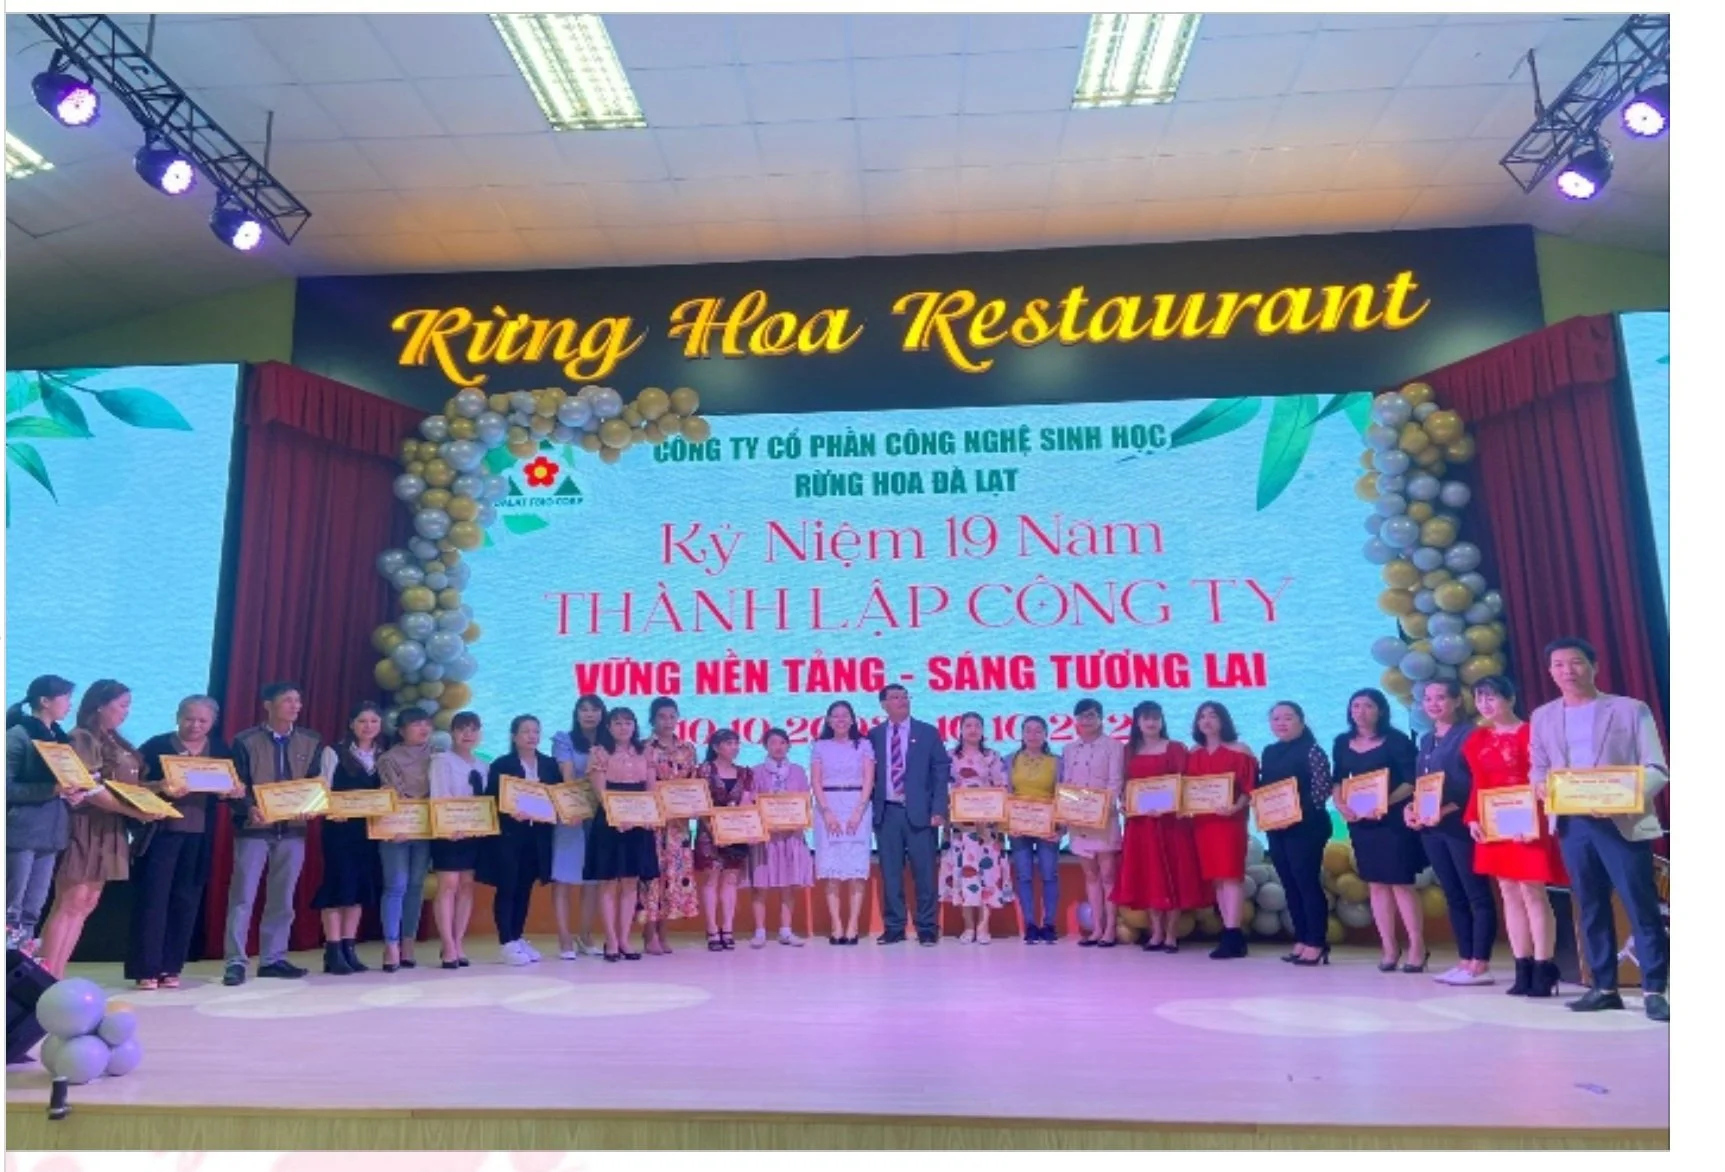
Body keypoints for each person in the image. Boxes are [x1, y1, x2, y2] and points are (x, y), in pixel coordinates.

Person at [1529, 637, 1669, 1022]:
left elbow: (1657, 768)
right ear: (1550, 672)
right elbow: (1538, 767)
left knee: (1641, 906)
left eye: (1575, 663)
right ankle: (1603, 987)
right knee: (1589, 907)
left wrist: (1621, 799)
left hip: (1621, 822)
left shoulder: (1629, 710)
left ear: (1594, 666)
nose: (1567, 671)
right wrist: (1541, 787)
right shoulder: (1543, 716)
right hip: (1573, 824)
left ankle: (1655, 989)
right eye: (1558, 665)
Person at [39, 680, 163, 978]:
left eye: (128, 706)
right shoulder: (82, 738)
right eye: (121, 705)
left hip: (110, 827)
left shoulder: (117, 742)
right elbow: (91, 789)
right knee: (71, 900)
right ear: (99, 705)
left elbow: (124, 788)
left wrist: (160, 788)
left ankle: (56, 973)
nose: (126, 712)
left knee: (87, 901)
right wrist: (133, 811)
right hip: (85, 826)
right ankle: (44, 975)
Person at [1465, 676, 1566, 998]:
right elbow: (1478, 785)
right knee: (1507, 891)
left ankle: (1544, 965)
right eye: (1480, 698)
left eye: (1491, 697)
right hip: (1495, 822)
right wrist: (1472, 819)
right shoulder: (1477, 739)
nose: (1485, 704)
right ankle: (1521, 966)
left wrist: (1536, 819)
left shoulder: (1532, 733)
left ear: (1510, 698)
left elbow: (1544, 780)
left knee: (1533, 892)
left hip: (1528, 821)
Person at [222, 682, 324, 986]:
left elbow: (314, 783)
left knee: (283, 898)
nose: (294, 706)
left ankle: (273, 958)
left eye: (298, 700)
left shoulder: (311, 740)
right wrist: (247, 808)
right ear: (268, 705)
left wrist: (313, 805)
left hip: (293, 831)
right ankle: (236, 961)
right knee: (243, 897)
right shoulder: (245, 740)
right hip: (254, 830)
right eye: (287, 700)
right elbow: (234, 784)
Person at [134, 695, 237, 989]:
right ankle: (146, 969)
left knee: (186, 899)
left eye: (202, 721)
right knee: (154, 899)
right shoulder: (156, 746)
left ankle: (171, 967)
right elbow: (132, 787)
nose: (195, 725)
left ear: (212, 722)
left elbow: (231, 786)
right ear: (177, 717)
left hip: (200, 834)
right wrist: (159, 787)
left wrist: (233, 791)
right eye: (189, 718)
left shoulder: (218, 749)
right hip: (161, 833)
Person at [1406, 679, 1498, 986]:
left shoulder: (1471, 734)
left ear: (1458, 701)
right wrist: (1412, 808)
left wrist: (1448, 809)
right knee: (1453, 895)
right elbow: (1423, 782)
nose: (1433, 704)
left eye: (1441, 697)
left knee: (1477, 894)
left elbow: (1477, 781)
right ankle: (1464, 960)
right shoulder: (1426, 739)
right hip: (1432, 829)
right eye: (1427, 699)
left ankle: (1480, 963)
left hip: (1461, 825)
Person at [1333, 687, 1426, 973]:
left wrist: (1385, 801)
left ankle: (1417, 946)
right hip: (1362, 824)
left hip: (1393, 822)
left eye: (1368, 706)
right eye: (1356, 705)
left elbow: (1412, 781)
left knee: (1400, 883)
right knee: (1375, 884)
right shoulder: (1341, 742)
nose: (1361, 711)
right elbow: (1338, 780)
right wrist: (1340, 805)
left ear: (1381, 711)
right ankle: (1388, 946)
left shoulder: (1396, 741)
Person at [1112, 701, 1201, 953]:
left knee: (1173, 874)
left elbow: (1185, 784)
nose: (1151, 723)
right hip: (1141, 824)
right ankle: (1156, 933)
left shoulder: (1175, 748)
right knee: (1148, 875)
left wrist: (1170, 805)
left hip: (1171, 823)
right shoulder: (1129, 750)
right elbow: (1125, 785)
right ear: (1137, 722)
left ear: (1162, 721)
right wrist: (1124, 803)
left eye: (1156, 718)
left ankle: (1171, 934)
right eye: (1146, 718)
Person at [869, 684, 951, 946]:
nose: (902, 701)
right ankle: (894, 927)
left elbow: (941, 772)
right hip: (887, 813)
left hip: (921, 814)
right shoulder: (873, 736)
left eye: (905, 696)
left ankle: (927, 927)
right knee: (891, 873)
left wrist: (939, 809)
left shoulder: (927, 733)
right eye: (895, 697)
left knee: (924, 873)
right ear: (883, 704)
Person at [310, 702, 386, 976]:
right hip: (339, 830)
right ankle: (332, 950)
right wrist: (331, 809)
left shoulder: (383, 755)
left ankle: (348, 948)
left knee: (358, 889)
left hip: (368, 832)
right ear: (352, 724)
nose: (368, 726)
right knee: (337, 885)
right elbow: (323, 787)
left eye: (374, 722)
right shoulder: (334, 752)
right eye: (363, 721)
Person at [6, 674, 76, 956]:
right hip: (20, 832)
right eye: (65, 698)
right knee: (12, 906)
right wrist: (51, 789)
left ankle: (21, 965)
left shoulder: (59, 737)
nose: (70, 704)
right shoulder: (17, 736)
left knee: (33, 908)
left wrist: (74, 790)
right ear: (44, 701)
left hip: (51, 832)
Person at [1259, 701, 1334, 966]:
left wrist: (1291, 815)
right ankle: (1301, 938)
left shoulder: (1312, 750)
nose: (1281, 723)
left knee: (1307, 882)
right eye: (1276, 718)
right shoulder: (1269, 752)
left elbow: (1321, 791)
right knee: (1289, 884)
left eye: (1288, 718)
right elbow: (1264, 790)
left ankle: (1317, 941)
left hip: (1307, 827)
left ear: (1301, 721)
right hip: (1276, 829)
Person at [583, 706, 659, 960]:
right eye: (617, 723)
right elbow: (601, 794)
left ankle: (626, 939)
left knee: (630, 882)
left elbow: (650, 791)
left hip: (638, 824)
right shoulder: (599, 753)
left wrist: (645, 816)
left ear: (635, 726)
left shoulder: (646, 752)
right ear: (608, 727)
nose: (623, 727)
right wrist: (618, 817)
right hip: (610, 824)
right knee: (608, 882)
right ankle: (611, 941)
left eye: (628, 722)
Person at [483, 714, 558, 966]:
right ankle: (506, 941)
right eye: (525, 731)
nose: (531, 736)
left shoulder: (549, 765)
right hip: (509, 835)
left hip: (537, 836)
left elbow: (557, 798)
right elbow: (491, 800)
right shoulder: (502, 764)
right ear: (514, 736)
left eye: (536, 731)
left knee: (525, 887)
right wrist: (508, 810)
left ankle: (517, 936)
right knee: (508, 886)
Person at [1186, 701, 1257, 960]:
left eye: (1212, 716)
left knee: (1231, 875)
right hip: (1203, 823)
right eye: (1201, 716)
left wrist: (1235, 806)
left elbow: (1250, 789)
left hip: (1230, 822)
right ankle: (1229, 932)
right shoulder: (1194, 753)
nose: (1207, 720)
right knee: (1216, 877)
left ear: (1223, 720)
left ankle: (1233, 932)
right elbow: (1187, 790)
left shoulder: (1240, 750)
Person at [940, 713, 1013, 943]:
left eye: (977, 726)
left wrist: (989, 815)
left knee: (987, 875)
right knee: (963, 875)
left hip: (986, 830)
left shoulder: (992, 757)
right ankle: (968, 926)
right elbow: (944, 789)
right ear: (960, 730)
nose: (973, 730)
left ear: (983, 730)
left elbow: (1002, 789)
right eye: (968, 726)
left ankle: (983, 926)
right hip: (960, 830)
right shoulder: (950, 757)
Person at [1061, 697, 1126, 948]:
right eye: (1081, 716)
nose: (1086, 720)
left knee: (1108, 875)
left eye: (1091, 715)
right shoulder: (1069, 749)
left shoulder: (1113, 746)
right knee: (1090, 875)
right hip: (1079, 822)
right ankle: (1097, 928)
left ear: (1101, 718)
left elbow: (1115, 782)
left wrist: (1099, 810)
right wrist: (1069, 812)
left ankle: (1110, 928)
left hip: (1103, 820)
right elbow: (1066, 785)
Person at [811, 700, 874, 945]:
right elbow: (815, 780)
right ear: (828, 720)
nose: (840, 719)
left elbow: (869, 778)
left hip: (858, 805)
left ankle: (853, 924)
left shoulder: (864, 745)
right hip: (828, 806)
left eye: (845, 715)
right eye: (835, 716)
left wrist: (859, 809)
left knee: (856, 869)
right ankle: (836, 924)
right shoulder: (820, 746)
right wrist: (826, 811)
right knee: (832, 869)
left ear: (852, 719)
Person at [377, 707, 435, 972]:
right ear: (401, 731)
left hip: (426, 829)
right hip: (397, 828)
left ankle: (408, 943)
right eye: (415, 724)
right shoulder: (389, 759)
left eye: (426, 724)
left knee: (416, 886)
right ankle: (391, 945)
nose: (422, 729)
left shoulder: (438, 757)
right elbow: (394, 795)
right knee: (396, 885)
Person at [640, 696, 699, 955]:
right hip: (652, 822)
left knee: (673, 879)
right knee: (652, 878)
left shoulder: (687, 749)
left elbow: (694, 784)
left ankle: (664, 933)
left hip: (678, 826)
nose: (667, 721)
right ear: (652, 719)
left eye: (672, 716)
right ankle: (648, 933)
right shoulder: (644, 748)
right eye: (662, 716)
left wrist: (696, 805)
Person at [429, 710, 487, 969]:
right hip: (448, 832)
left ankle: (458, 942)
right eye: (462, 728)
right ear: (452, 732)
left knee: (466, 885)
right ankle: (448, 945)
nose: (468, 734)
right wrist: (451, 825)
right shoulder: (441, 760)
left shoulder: (483, 765)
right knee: (448, 885)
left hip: (474, 834)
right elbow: (438, 797)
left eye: (473, 729)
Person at [549, 694, 605, 958]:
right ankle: (564, 939)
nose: (590, 714)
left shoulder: (609, 742)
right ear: (576, 713)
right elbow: (568, 775)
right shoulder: (565, 739)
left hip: (600, 816)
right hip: (571, 814)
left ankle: (584, 935)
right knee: (564, 878)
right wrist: (576, 806)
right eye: (584, 709)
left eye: (595, 709)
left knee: (592, 881)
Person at [748, 728, 813, 948]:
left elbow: (806, 802)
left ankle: (786, 931)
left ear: (789, 746)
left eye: (783, 742)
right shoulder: (755, 772)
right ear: (765, 745)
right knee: (761, 885)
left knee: (789, 885)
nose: (778, 746)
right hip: (766, 838)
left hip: (791, 837)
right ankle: (760, 931)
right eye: (773, 742)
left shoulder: (798, 771)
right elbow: (750, 802)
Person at [694, 728, 753, 951]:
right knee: (711, 880)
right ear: (716, 747)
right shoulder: (704, 771)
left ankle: (727, 929)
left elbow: (747, 802)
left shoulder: (745, 773)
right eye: (729, 743)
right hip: (708, 834)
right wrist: (715, 831)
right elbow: (699, 803)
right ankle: (711, 929)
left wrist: (743, 828)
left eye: (737, 743)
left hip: (736, 833)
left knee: (730, 880)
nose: (734, 747)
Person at [1005, 716, 1061, 945]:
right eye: (1028, 730)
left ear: (1046, 734)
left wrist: (1061, 827)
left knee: (1049, 875)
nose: (1033, 735)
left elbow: (1064, 795)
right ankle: (1029, 924)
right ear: (1022, 734)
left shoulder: (1058, 761)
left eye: (1039, 730)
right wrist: (1008, 824)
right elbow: (1004, 794)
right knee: (1024, 876)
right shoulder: (1009, 760)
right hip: (1018, 828)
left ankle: (1049, 924)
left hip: (1048, 828)